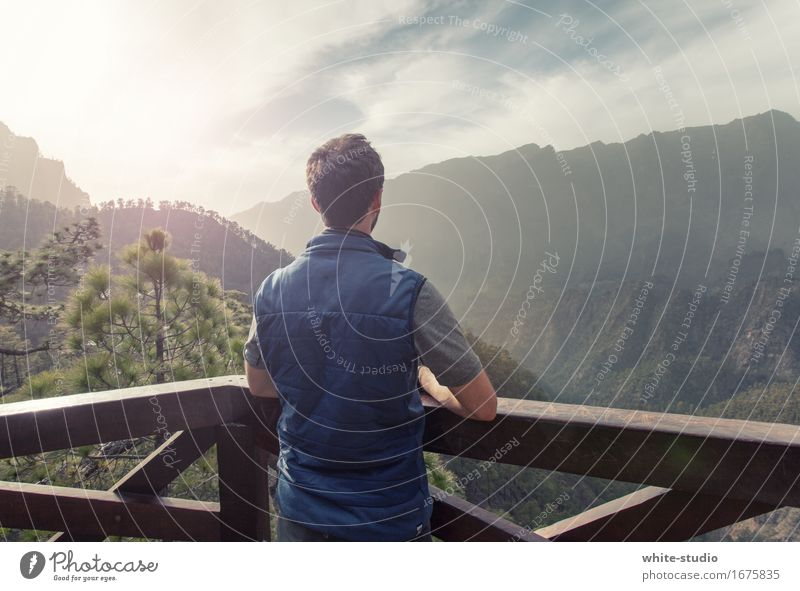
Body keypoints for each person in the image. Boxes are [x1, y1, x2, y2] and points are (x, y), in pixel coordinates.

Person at [244, 133, 497, 542]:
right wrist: (429, 380)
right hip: (386, 520)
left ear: (315, 203)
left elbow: (259, 384)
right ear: (376, 200)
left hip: (301, 516)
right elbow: (483, 406)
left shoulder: (272, 289)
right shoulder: (408, 290)